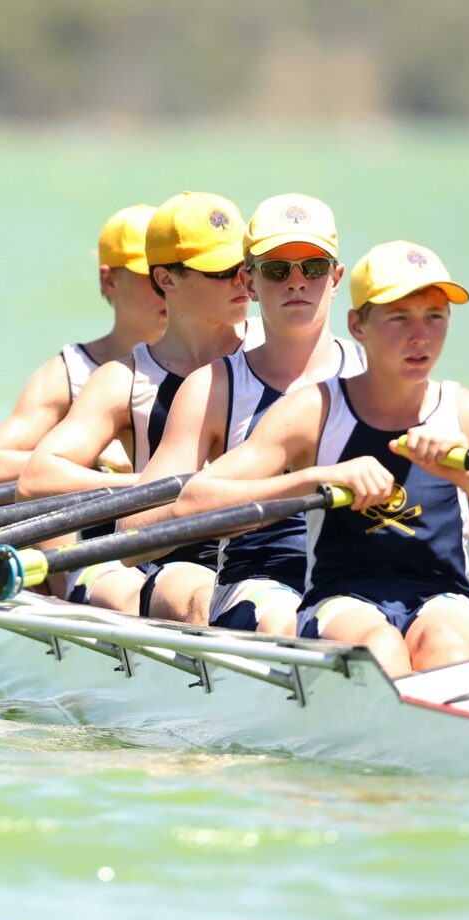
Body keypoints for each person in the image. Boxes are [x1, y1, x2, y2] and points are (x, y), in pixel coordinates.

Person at [176, 240, 469, 676]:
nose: (420, 335)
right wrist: (319, 479)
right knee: (378, 650)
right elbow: (193, 501)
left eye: (434, 317)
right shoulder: (316, 410)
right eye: (399, 318)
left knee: (446, 646)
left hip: (444, 601)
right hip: (341, 601)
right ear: (358, 326)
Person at [116, 194, 364, 634]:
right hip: (261, 581)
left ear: (336, 277)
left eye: (313, 268)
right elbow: (131, 537)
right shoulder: (213, 388)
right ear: (249, 283)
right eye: (275, 270)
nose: (296, 282)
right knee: (289, 622)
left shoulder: (373, 372)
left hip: (362, 575)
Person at [19, 191, 258, 620]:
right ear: (166, 279)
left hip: (271, 556)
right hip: (170, 565)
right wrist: (155, 485)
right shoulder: (124, 379)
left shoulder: (274, 352)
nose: (243, 282)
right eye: (222, 271)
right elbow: (37, 480)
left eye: (247, 266)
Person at [0, 203, 166, 490]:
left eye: (173, 272)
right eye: (149, 276)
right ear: (108, 281)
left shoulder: (217, 358)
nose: (165, 286)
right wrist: (89, 456)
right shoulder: (68, 374)